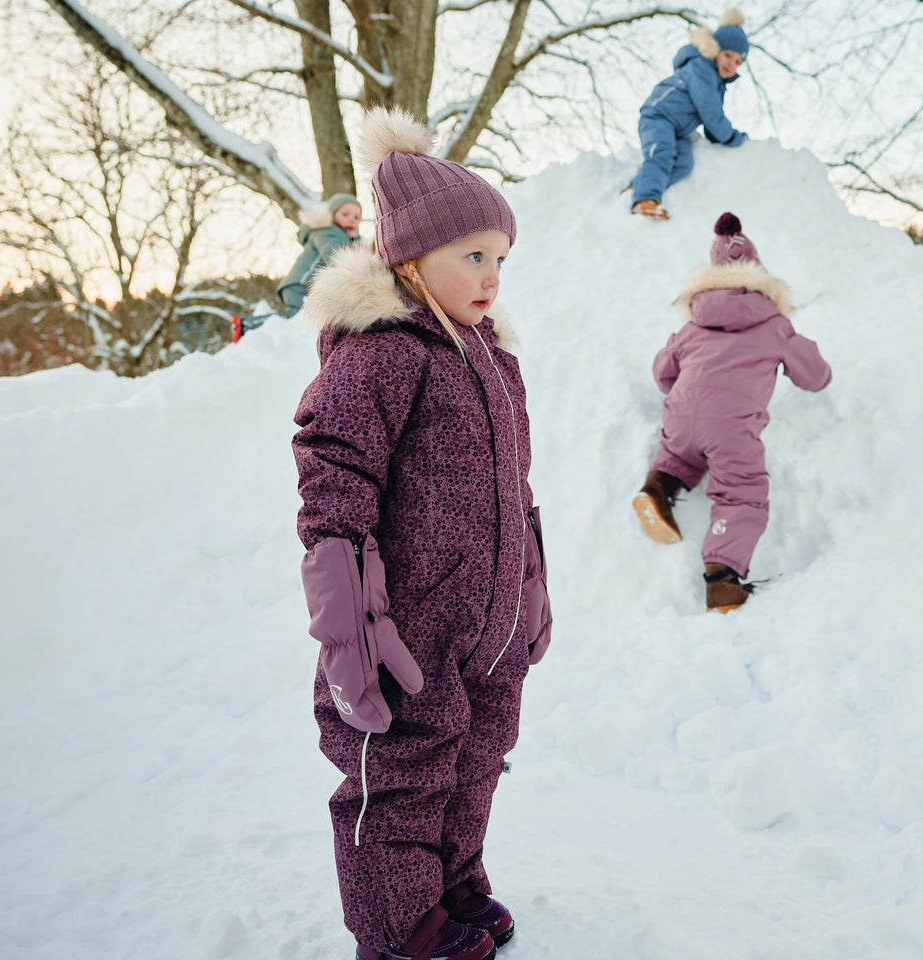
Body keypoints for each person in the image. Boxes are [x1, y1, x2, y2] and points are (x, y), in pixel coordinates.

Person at [292, 106, 552, 960]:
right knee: (399, 774)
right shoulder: (382, 352)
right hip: (403, 629)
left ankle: (451, 885)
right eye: (473, 256)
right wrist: (351, 624)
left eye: (501, 258)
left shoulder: (489, 355)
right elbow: (334, 477)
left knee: (474, 762)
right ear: (410, 258)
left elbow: (511, 485)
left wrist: (530, 584)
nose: (492, 276)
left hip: (487, 628)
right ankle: (399, 929)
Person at [633, 212, 831, 612]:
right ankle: (722, 580)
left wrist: (684, 391)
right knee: (741, 492)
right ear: (758, 275)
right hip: (730, 427)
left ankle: (658, 489)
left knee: (677, 452)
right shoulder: (774, 324)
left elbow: (662, 371)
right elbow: (814, 376)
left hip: (681, 413)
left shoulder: (693, 324)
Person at [627, 8, 750, 220]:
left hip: (678, 129)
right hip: (658, 116)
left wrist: (723, 136)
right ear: (714, 50)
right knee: (662, 154)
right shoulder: (701, 68)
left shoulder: (716, 84)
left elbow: (712, 123)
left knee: (684, 164)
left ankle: (639, 186)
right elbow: (711, 113)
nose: (732, 64)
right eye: (728, 55)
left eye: (738, 61)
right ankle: (645, 198)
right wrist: (731, 137)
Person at [278, 193, 362, 316]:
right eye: (345, 214)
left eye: (356, 217)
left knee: (296, 318)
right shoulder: (329, 232)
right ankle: (245, 325)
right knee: (294, 318)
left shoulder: (342, 237)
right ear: (332, 216)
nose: (351, 219)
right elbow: (335, 256)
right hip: (301, 284)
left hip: (301, 285)